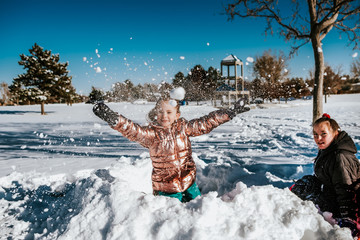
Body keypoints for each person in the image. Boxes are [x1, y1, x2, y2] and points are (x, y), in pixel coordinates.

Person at [92, 87, 249, 202]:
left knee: (199, 211)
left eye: (168, 112)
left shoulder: (184, 128)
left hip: (189, 184)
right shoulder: (151, 134)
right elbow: (133, 130)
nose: (164, 115)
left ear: (177, 115)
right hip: (166, 190)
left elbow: (205, 123)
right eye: (160, 112)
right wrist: (114, 119)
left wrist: (229, 113)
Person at [291, 113, 360, 237]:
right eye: (315, 134)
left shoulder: (340, 157)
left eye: (323, 134)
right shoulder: (328, 151)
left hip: (344, 206)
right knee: (305, 186)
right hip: (332, 196)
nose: (318, 138)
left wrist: (349, 220)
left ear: (335, 133)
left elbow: (347, 190)